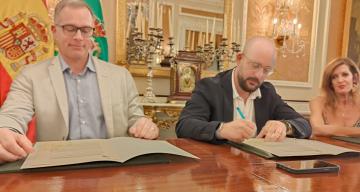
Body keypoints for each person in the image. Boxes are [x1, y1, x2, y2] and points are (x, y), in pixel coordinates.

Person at [0, 0, 159, 163]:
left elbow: (135, 119)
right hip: (55, 171)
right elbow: (13, 114)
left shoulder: (121, 76)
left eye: (85, 30)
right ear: (54, 31)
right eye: (70, 28)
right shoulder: (30, 76)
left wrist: (144, 126)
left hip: (111, 170)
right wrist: (5, 130)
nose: (78, 37)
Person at [176, 36, 311, 144]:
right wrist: (221, 130)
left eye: (266, 70)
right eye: (255, 65)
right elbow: (184, 126)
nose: (258, 75)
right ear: (239, 59)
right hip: (218, 169)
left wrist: (284, 126)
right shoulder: (210, 87)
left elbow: (304, 124)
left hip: (258, 170)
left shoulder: (268, 92)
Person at [310, 57, 360, 137]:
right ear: (330, 82)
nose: (340, 80)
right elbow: (317, 129)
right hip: (327, 148)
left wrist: (329, 130)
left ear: (355, 78)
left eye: (345, 75)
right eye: (334, 77)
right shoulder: (318, 102)